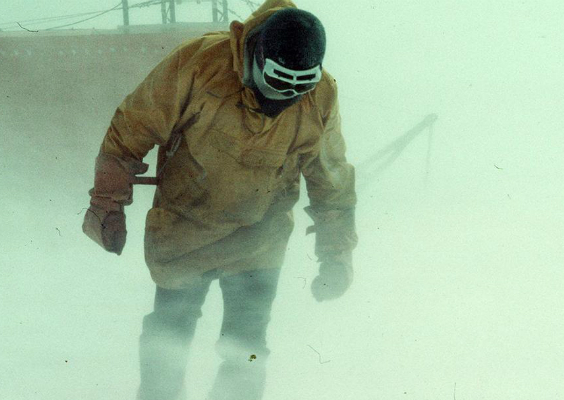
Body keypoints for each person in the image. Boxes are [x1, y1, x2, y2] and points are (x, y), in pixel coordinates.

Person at [82, 1, 358, 399]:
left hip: (260, 238)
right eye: (280, 82)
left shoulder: (322, 97)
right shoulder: (199, 65)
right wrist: (106, 207)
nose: (287, 97)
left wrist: (336, 254)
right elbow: (130, 130)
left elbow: (331, 174)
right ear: (258, 57)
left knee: (246, 348)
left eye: (301, 87)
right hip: (185, 229)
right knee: (170, 333)